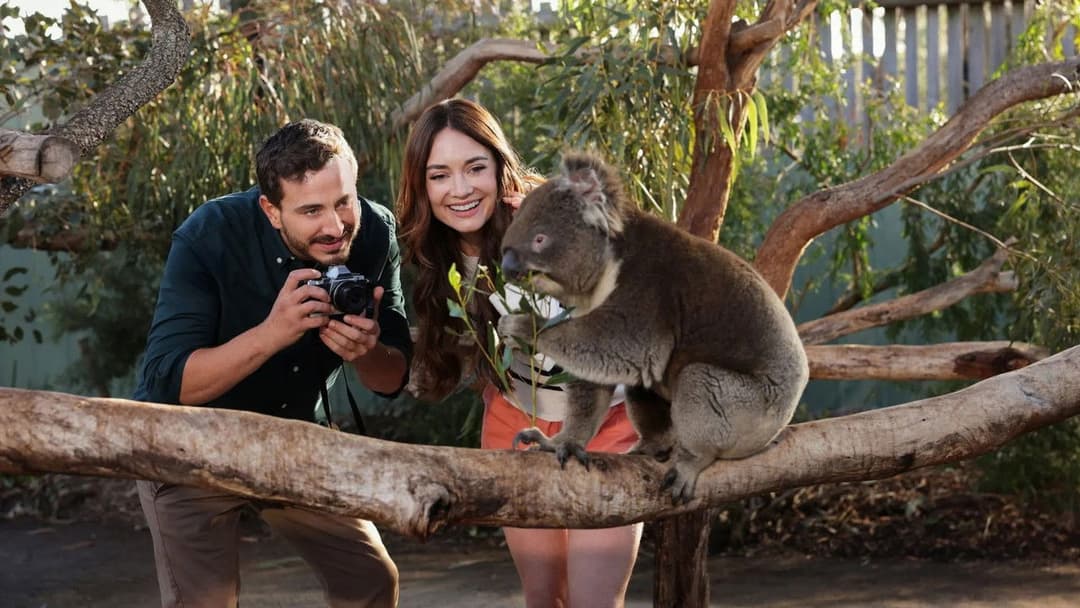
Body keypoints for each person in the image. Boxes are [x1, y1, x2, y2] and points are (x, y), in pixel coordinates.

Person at [133, 118, 411, 608]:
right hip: (189, 442)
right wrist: (272, 333)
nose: (335, 225)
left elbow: (392, 378)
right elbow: (167, 382)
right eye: (310, 210)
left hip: (295, 434)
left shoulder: (372, 231)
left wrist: (368, 352)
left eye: (342, 201)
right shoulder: (209, 235)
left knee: (371, 580)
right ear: (271, 209)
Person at [396, 98, 642, 608]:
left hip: (604, 425)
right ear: (422, 186)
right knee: (543, 597)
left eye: (474, 168)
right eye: (439, 175)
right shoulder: (440, 252)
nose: (459, 189)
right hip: (516, 425)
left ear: (499, 165)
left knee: (594, 600)